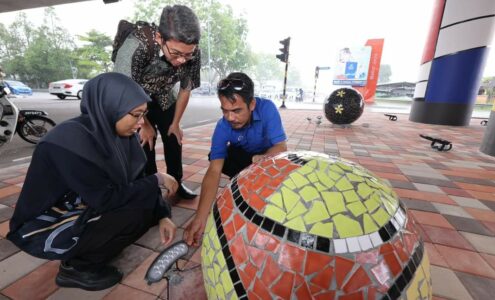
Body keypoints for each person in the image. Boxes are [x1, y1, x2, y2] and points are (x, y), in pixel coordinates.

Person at [7, 72, 178, 291]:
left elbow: (139, 179)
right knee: (133, 212)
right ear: (109, 107)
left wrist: (163, 214)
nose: (140, 124)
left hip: (87, 199)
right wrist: (159, 179)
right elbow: (107, 198)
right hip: (48, 218)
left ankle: (92, 247)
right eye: (135, 115)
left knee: (144, 206)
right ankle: (77, 268)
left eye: (143, 115)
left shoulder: (119, 135)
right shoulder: (67, 142)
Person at [184, 72, 288, 246]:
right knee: (217, 157)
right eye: (225, 111)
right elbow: (214, 170)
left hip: (265, 155)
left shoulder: (268, 108)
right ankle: (242, 180)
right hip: (243, 157)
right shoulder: (222, 126)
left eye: (237, 110)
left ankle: (253, 178)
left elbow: (281, 147)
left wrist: (263, 159)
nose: (230, 118)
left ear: (252, 104)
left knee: (277, 169)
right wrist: (200, 217)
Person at [113, 4, 201, 200]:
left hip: (164, 96)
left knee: (173, 137)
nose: (182, 61)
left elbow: (186, 88)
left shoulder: (192, 50)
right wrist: (143, 123)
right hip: (134, 99)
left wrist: (176, 123)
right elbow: (123, 89)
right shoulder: (137, 45)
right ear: (160, 38)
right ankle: (152, 186)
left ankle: (176, 183)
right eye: (176, 53)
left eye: (188, 54)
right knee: (145, 142)